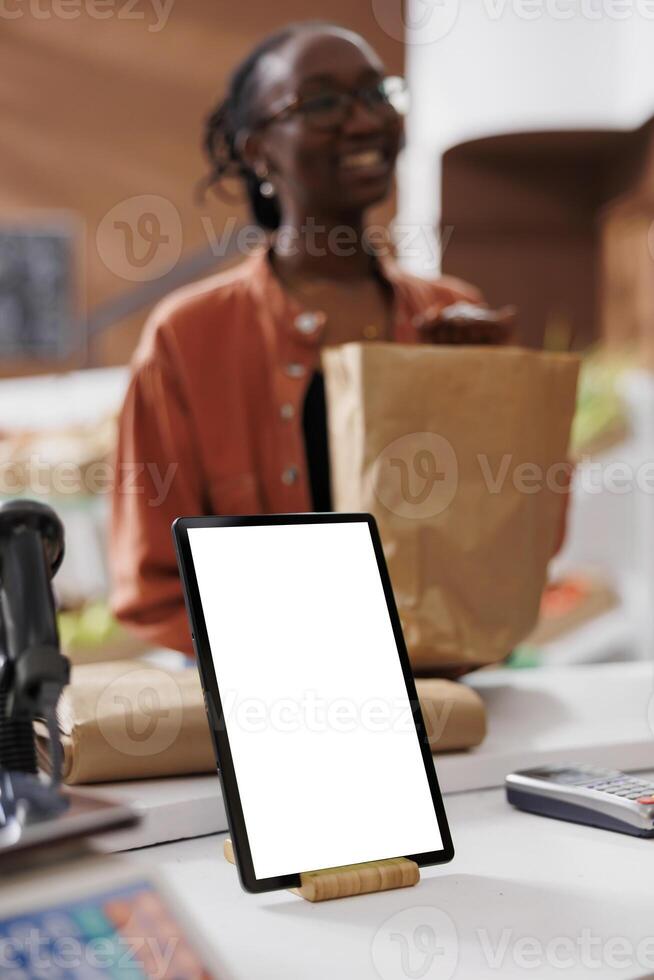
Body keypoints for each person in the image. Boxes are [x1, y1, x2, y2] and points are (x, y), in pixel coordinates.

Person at [110, 21, 520, 656]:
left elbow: (517, 544)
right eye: (323, 102)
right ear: (258, 152)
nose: (363, 123)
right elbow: (154, 585)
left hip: (445, 691)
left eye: (377, 94)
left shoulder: (453, 315)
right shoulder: (190, 337)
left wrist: (495, 396)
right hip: (271, 706)